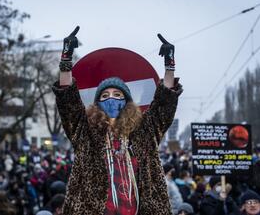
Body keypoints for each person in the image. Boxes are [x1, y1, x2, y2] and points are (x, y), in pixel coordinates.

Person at [52, 26, 183, 215]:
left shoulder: (143, 131)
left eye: (117, 94)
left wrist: (170, 66)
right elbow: (68, 102)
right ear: (97, 103)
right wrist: (66, 61)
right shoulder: (85, 131)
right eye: (104, 95)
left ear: (127, 102)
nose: (111, 98)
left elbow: (164, 104)